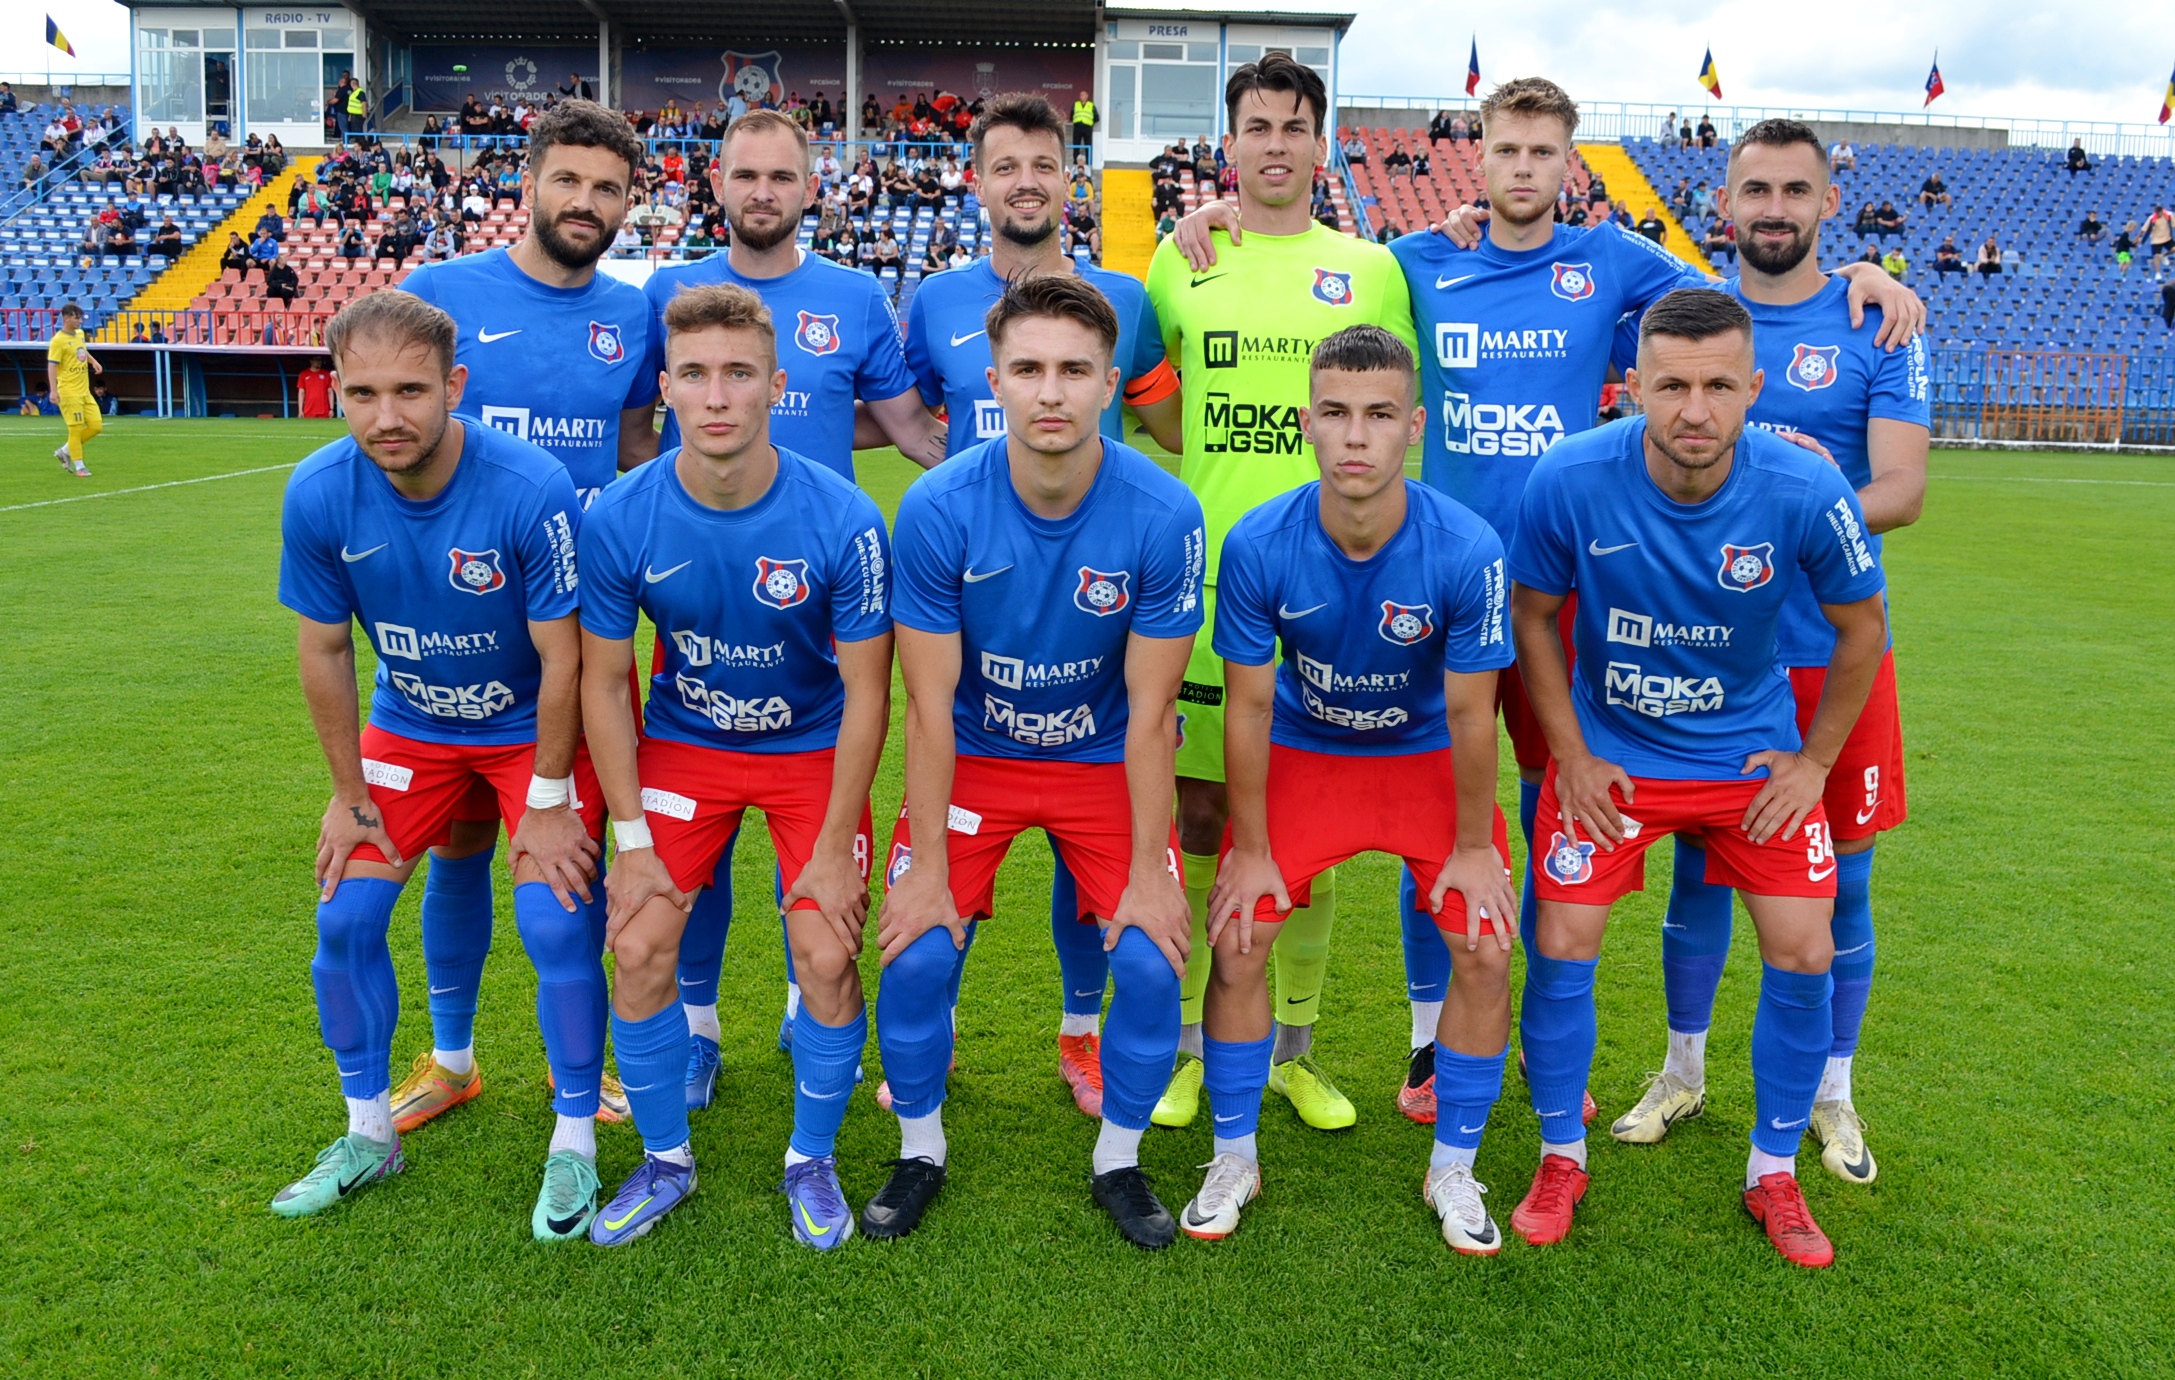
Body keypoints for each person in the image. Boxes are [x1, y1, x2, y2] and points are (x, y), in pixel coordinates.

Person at [1186, 75, 1920, 1123]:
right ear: (1474, 157)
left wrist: (1856, 273)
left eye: (1542, 153)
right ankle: (1431, 1038)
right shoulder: (1412, 261)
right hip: (1437, 588)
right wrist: (1226, 218)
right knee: (1442, 818)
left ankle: (1525, 1028)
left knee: (1543, 811)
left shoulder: (1612, 260)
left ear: (1569, 164)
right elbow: (1303, 261)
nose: (1522, 169)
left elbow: (1736, 302)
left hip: (1562, 592)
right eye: (1505, 151)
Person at [1506, 287, 1889, 1267]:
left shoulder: (1806, 491)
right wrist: (1572, 757)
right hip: (1617, 761)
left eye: (1720, 386)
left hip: (1745, 760)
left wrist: (1812, 762)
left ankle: (1772, 1172)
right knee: (1561, 935)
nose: (1694, 410)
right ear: (1631, 386)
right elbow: (1533, 618)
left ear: (1753, 388)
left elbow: (1861, 631)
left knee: (1806, 949)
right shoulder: (1569, 478)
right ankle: (1560, 1154)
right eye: (1670, 384)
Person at [1615, 119, 1929, 1193]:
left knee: (1844, 880)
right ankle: (1682, 1068)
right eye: (1757, 188)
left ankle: (1833, 1090)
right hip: (1709, 649)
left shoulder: (1876, 322)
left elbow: (1903, 489)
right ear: (1725, 200)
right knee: (1701, 867)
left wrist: (1796, 495)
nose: (1777, 207)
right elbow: (1547, 258)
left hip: (1832, 650)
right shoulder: (1684, 310)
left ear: (1829, 203)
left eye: (1798, 189)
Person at [872, 272, 1203, 1248]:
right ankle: (920, 1148)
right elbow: (928, 706)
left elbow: (1152, 715)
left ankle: (1120, 1160)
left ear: (1110, 383)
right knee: (919, 950)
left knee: (1148, 965)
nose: (1049, 391)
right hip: (976, 751)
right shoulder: (937, 509)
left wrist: (1150, 875)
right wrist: (927, 869)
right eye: (1028, 369)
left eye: (1073, 370)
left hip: (1104, 755)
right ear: (994, 382)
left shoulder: (1164, 513)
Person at [269, 291, 607, 1237]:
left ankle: (573, 1142)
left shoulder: (527, 485)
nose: (387, 417)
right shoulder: (319, 491)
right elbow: (326, 650)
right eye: (363, 393)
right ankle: (369, 1133)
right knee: (345, 916)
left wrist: (546, 799)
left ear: (454, 385)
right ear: (333, 391)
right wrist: (348, 794)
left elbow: (565, 658)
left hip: (528, 732)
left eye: (411, 391)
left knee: (553, 915)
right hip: (413, 729)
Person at [1178, 325, 1518, 1252]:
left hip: (1418, 760)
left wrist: (1477, 846)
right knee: (1241, 931)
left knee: (1483, 943)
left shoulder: (1467, 547)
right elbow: (1246, 709)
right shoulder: (1257, 543)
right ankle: (1233, 1153)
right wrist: (1247, 852)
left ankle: (1454, 1163)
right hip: (1308, 751)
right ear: (1306, 425)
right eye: (1335, 413)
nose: (1355, 435)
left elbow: (1467, 716)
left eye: (1377, 415)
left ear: (1413, 426)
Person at [577, 283, 892, 1248]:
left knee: (828, 951)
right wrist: (628, 840)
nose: (717, 396)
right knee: (634, 944)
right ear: (664, 387)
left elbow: (873, 694)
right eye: (695, 375)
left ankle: (812, 1158)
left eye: (739, 374)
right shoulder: (621, 515)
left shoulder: (842, 519)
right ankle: (666, 1159)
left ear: (775, 386)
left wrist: (837, 842)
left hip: (810, 749)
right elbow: (600, 683)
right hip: (686, 744)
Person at [640, 108, 946, 1097]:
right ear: (716, 184)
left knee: (808, 809)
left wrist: (1011, 499)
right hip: (699, 607)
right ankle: (694, 1024)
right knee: (701, 836)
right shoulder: (666, 291)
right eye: (745, 175)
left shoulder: (855, 295)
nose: (762, 190)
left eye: (782, 175)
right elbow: (635, 435)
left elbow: (906, 427)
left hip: (824, 602)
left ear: (813, 188)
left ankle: (800, 990)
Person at [1144, 53, 1422, 1134]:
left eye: (1293, 126)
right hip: (1212, 588)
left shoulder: (1370, 268)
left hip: (1338, 594)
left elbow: (1396, 421)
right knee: (1200, 821)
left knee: (1307, 830)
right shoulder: (1181, 263)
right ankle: (1189, 1051)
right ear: (1231, 145)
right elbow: (1155, 402)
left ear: (1320, 144)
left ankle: (1294, 1053)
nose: (1274, 143)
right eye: (1255, 125)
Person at [897, 91, 1185, 1116]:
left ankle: (1080, 1031)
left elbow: (1173, 428)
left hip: (1092, 599)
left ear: (1069, 179)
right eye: (1004, 166)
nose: (1026, 182)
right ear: (978, 183)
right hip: (977, 592)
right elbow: (888, 410)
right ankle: (929, 1055)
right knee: (932, 917)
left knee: (1087, 851)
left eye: (1044, 165)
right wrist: (950, 487)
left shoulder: (1126, 293)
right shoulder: (932, 298)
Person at [389, 101, 660, 1135]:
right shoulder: (440, 296)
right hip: (454, 627)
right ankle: (453, 1058)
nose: (585, 204)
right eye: (569, 182)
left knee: (571, 857)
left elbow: (635, 445)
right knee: (457, 848)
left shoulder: (631, 315)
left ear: (629, 205)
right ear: (529, 183)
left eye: (607, 190)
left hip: (580, 637)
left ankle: (582, 1070)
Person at [47, 303, 101, 477]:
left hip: (84, 391)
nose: (79, 321)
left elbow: (82, 351)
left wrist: (93, 361)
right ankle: (80, 466)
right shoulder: (58, 341)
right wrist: (53, 391)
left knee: (96, 426)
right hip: (69, 391)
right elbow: (52, 366)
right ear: (66, 318)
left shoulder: (80, 334)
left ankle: (64, 451)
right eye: (76, 318)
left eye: (80, 317)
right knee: (75, 429)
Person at [1070, 90, 1098, 158]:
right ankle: (1076, 162)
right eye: (1080, 95)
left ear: (1087, 96)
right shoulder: (1076, 104)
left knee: (1088, 144)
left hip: (1087, 128)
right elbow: (1071, 115)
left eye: (1083, 95)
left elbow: (1096, 117)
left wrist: (1090, 123)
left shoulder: (1091, 105)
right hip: (1077, 127)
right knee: (1076, 145)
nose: (1081, 96)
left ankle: (1088, 162)